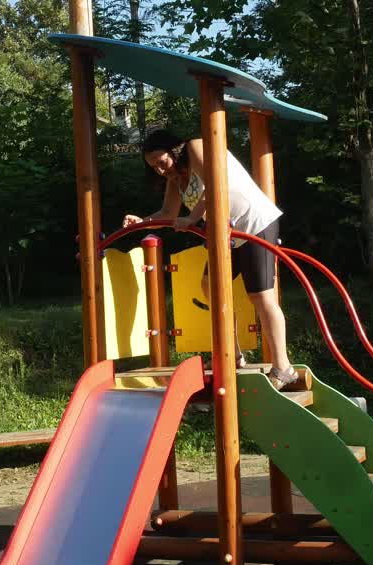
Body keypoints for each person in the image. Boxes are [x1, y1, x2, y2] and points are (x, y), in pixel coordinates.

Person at [122, 128, 298, 390]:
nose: (160, 170)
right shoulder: (175, 179)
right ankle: (232, 356)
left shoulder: (195, 146)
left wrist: (192, 218)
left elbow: (217, 185)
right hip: (226, 232)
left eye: (162, 162)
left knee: (261, 295)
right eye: (154, 167)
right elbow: (168, 212)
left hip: (254, 223)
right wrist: (142, 221)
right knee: (211, 287)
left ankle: (284, 368)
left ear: (175, 151)